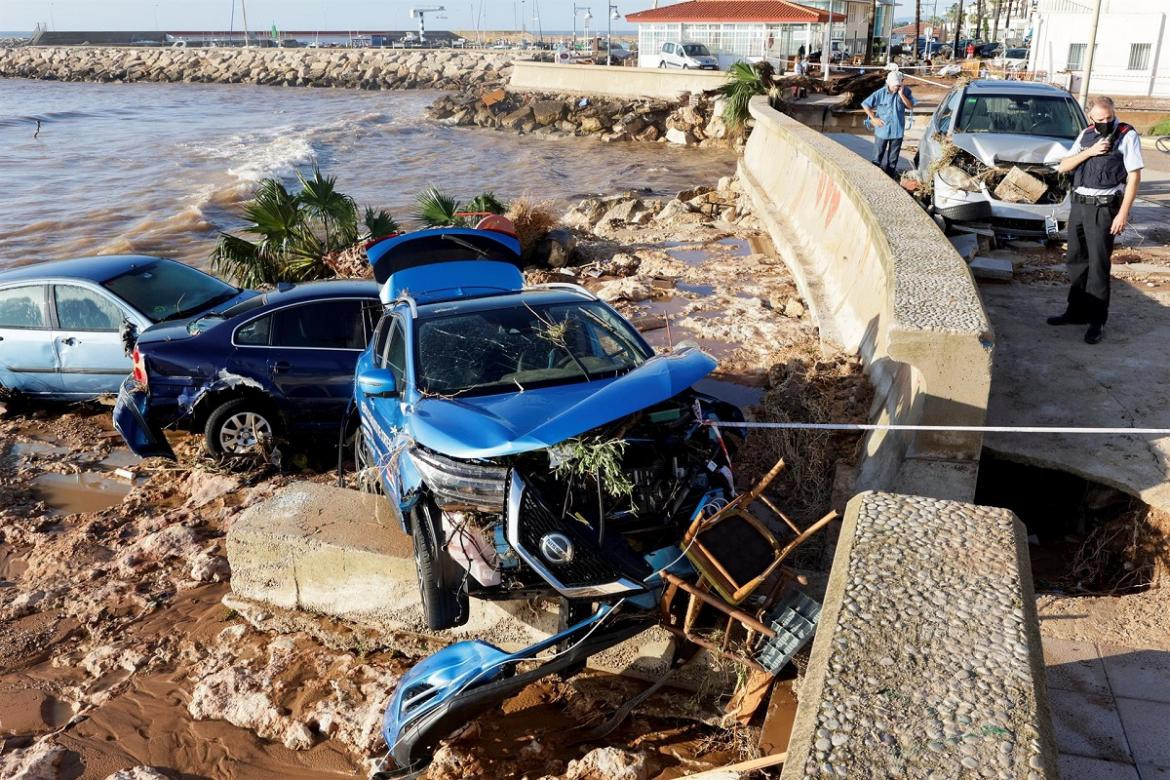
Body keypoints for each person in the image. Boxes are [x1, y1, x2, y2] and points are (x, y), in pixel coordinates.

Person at [1047, 96, 1144, 344]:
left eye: (1109, 118)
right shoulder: (1086, 135)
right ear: (1090, 117)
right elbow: (1063, 166)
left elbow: (1134, 178)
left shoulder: (1127, 135)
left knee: (1098, 266)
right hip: (1079, 205)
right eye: (1100, 119)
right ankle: (1075, 312)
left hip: (1104, 209)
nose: (1105, 122)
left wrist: (1123, 213)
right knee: (1076, 261)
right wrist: (1089, 151)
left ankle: (1096, 321)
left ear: (1114, 113)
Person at [861, 71, 916, 179]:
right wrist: (873, 118)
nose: (896, 87)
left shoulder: (905, 91)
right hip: (882, 131)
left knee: (893, 160)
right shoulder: (880, 93)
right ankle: (874, 178)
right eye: (895, 85)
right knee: (877, 158)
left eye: (898, 85)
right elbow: (865, 104)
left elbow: (910, 106)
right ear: (889, 83)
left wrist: (901, 94)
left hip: (897, 131)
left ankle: (890, 178)